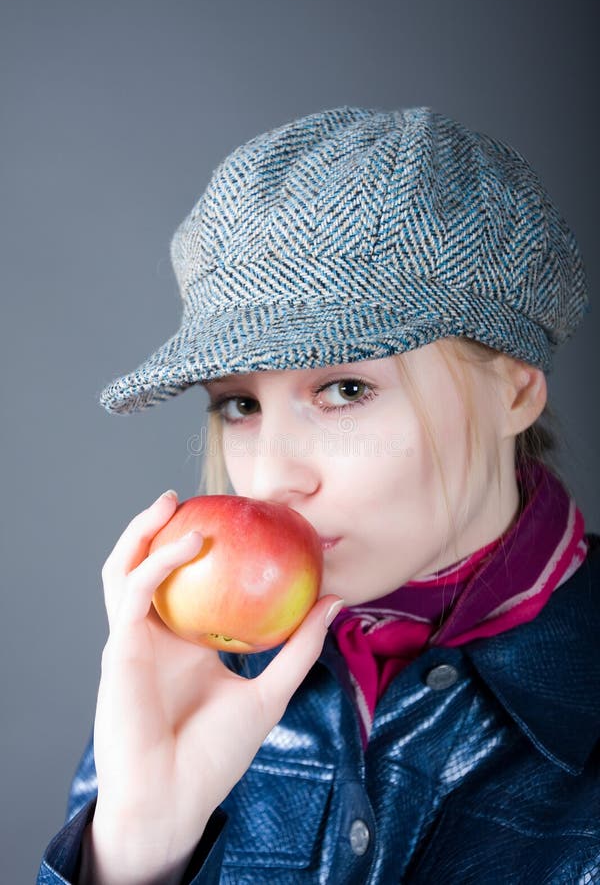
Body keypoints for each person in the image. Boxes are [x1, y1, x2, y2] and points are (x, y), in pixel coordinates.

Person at [38, 106, 600, 884]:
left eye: (343, 387)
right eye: (239, 404)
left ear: (514, 393)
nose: (271, 479)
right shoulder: (193, 674)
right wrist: (137, 850)